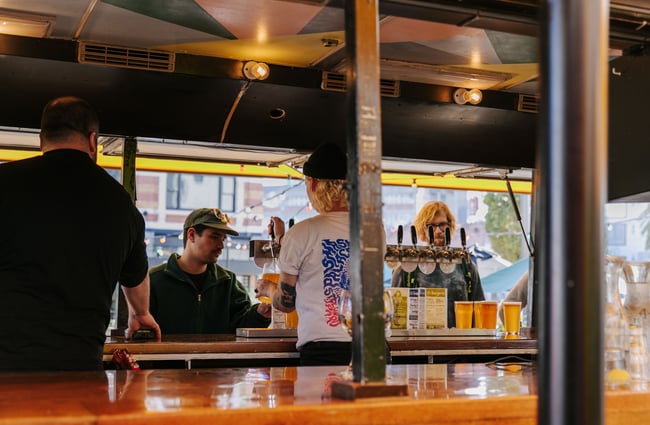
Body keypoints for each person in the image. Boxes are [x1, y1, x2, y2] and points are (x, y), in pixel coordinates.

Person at [0, 96, 160, 371]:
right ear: (92, 140)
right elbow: (135, 276)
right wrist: (141, 314)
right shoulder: (119, 202)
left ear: (42, 139)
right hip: (78, 365)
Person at [255, 143, 353, 366]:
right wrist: (283, 241)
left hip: (325, 348)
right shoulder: (375, 229)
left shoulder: (301, 232)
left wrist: (267, 288)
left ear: (314, 183)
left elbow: (286, 303)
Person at [149, 208, 271, 333]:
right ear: (191, 235)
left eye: (223, 239)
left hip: (217, 353)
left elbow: (240, 328)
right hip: (168, 353)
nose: (221, 246)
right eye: (214, 237)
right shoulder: (153, 280)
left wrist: (260, 314)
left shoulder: (229, 282)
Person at [391, 200, 485, 327]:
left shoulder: (465, 266)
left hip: (460, 342)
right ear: (422, 229)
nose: (437, 231)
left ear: (450, 226)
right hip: (419, 342)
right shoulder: (408, 268)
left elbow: (480, 310)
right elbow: (395, 315)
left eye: (442, 225)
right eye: (431, 226)